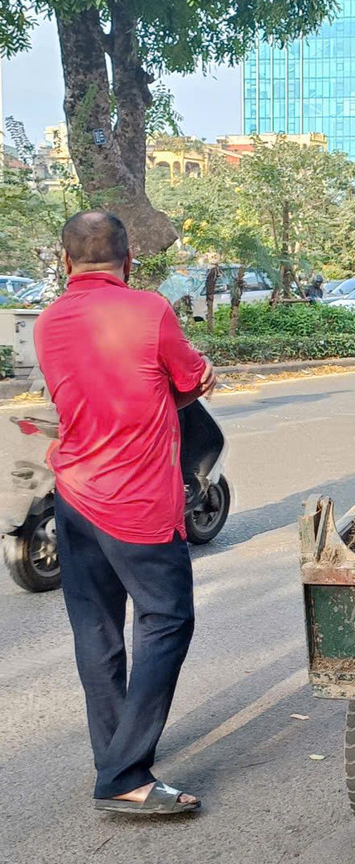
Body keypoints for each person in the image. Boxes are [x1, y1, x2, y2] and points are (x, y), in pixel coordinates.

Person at [34, 211, 215, 815]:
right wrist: (192, 379)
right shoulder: (150, 311)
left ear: (65, 262)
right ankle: (122, 776)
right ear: (128, 257)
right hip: (136, 504)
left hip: (75, 496)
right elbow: (189, 379)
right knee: (166, 621)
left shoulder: (50, 321)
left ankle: (112, 753)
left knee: (97, 630)